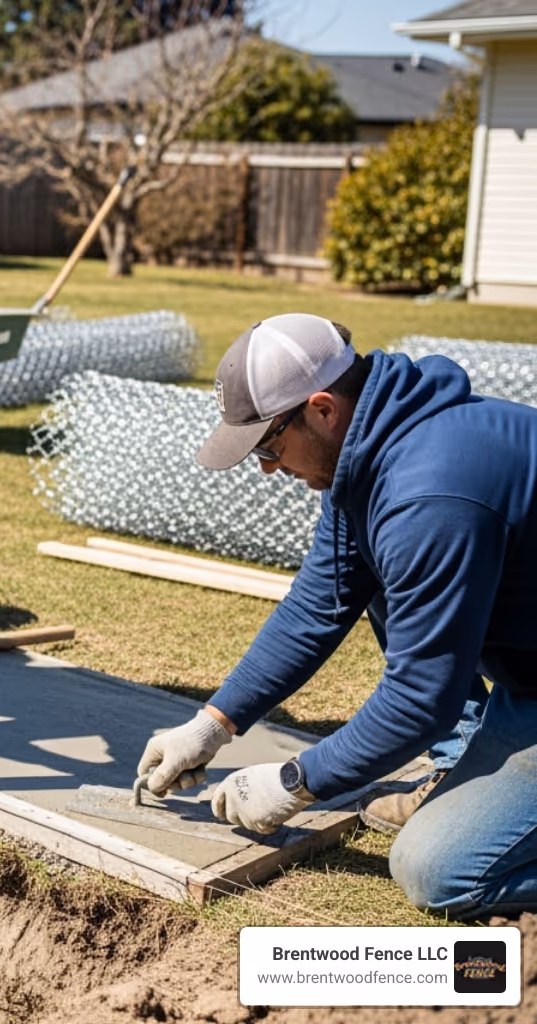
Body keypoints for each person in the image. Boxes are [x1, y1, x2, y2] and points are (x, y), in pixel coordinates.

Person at [137, 313, 537, 919]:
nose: (269, 469)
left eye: (269, 447)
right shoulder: (377, 449)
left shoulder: (429, 496)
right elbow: (321, 600)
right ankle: (460, 770)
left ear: (322, 408)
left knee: (437, 870)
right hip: (526, 677)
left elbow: (420, 699)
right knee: (376, 574)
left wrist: (297, 780)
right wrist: (211, 725)